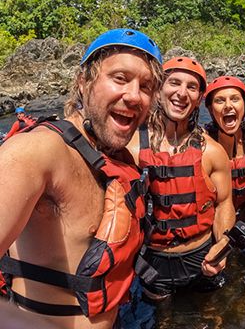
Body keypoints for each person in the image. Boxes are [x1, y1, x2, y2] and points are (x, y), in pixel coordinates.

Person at [0, 28, 163, 329]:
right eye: (120, 78)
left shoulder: (117, 157)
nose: (134, 95)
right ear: (83, 81)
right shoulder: (36, 152)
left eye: (147, 86)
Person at [128, 57, 235, 300]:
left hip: (202, 257)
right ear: (158, 90)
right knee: (163, 320)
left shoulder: (212, 151)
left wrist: (223, 244)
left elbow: (224, 203)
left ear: (199, 99)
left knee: (214, 315)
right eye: (174, 83)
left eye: (192, 87)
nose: (182, 93)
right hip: (153, 263)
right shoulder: (131, 147)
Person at [204, 76, 245, 221]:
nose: (228, 105)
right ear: (210, 109)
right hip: (216, 221)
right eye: (219, 100)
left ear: (244, 105)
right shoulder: (202, 145)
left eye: (235, 99)